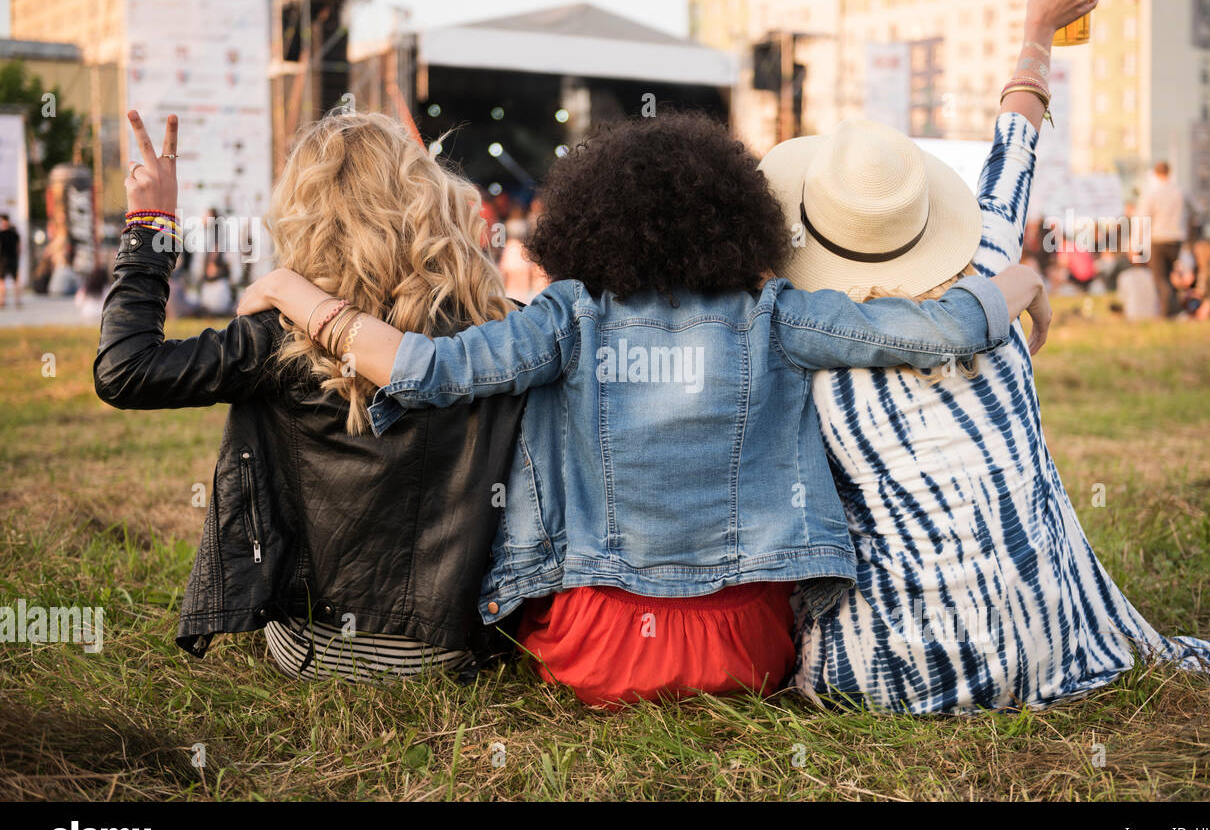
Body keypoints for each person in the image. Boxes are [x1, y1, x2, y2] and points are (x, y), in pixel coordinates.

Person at [238, 113, 1051, 709]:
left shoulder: (566, 315)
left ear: (591, 218)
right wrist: (1023, 284)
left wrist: (293, 291)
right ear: (740, 216)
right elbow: (932, 332)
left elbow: (426, 371)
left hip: (595, 650)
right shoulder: (775, 314)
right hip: (750, 650)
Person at [764, 0, 1210, 714]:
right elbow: (1015, 142)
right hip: (1043, 651)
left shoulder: (791, 333)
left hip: (885, 675)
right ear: (918, 215)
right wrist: (1038, 27)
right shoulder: (990, 265)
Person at [95, 109, 526, 683]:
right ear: (426, 196)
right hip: (451, 648)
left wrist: (151, 227)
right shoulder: (494, 327)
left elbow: (125, 370)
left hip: (317, 650)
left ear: (305, 212)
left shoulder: (281, 336)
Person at [1135, 160, 1190, 317]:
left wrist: (1136, 243)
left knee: (1160, 278)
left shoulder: (1151, 194)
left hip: (1158, 239)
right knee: (1174, 276)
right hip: (1177, 238)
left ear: (1155, 174)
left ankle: (1166, 311)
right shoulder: (1181, 191)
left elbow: (1141, 219)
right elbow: (1197, 210)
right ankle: (1175, 310)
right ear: (1169, 173)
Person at [0, 213, 21, 307]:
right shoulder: (14, 233)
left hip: (4, 260)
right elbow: (19, 248)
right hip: (13, 259)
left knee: (2, 281)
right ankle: (17, 301)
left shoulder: (1, 234)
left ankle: (2, 301)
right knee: (14, 281)